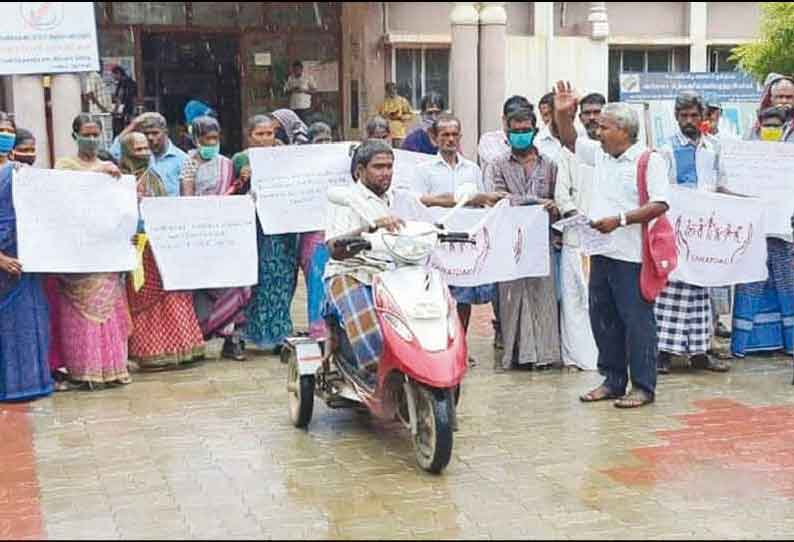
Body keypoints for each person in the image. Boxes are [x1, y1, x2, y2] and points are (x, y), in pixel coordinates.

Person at [555, 81, 669, 409]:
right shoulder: (601, 156)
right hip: (601, 252)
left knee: (637, 322)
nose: (598, 131)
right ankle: (613, 381)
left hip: (633, 256)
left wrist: (619, 220)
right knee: (603, 319)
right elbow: (570, 139)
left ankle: (643, 387)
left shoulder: (648, 160)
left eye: (603, 126)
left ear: (622, 130)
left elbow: (660, 204)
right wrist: (565, 114)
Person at [53, 114, 131, 390]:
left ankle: (111, 368)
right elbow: (62, 197)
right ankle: (84, 370)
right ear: (75, 136)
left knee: (107, 308)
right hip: (78, 251)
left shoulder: (109, 165)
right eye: (86, 133)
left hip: (105, 249)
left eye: (96, 133)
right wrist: (94, 176)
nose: (92, 139)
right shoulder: (64, 165)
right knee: (81, 313)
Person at [655, 91, 730, 374]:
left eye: (693, 115)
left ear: (703, 117)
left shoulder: (714, 147)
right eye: (683, 115)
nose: (688, 120)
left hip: (707, 231)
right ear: (676, 118)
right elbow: (662, 189)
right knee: (672, 288)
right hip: (677, 228)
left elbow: (720, 184)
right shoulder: (665, 149)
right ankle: (663, 352)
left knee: (702, 290)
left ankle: (700, 352)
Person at [416, 115, 505, 347]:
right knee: (439, 296)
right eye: (445, 135)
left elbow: (482, 204)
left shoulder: (472, 169)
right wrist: (459, 200)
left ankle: (459, 347)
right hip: (437, 246)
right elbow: (420, 202)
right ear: (434, 138)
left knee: (463, 297)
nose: (450, 139)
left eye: (455, 134)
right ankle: (439, 345)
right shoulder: (424, 170)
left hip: (465, 244)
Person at [486, 107, 562, 372]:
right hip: (511, 244)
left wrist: (553, 208)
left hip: (543, 244)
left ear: (535, 131)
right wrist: (537, 202)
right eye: (515, 132)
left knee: (544, 297)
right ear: (506, 134)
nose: (520, 136)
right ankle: (516, 355)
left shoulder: (550, 164)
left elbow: (558, 199)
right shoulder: (497, 165)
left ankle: (546, 355)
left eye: (525, 131)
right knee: (512, 299)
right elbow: (496, 198)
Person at [121, 132, 206, 370]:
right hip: (135, 245)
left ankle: (180, 347)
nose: (144, 153)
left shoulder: (154, 176)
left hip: (159, 242)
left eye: (146, 148)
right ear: (127, 152)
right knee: (144, 298)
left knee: (170, 294)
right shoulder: (119, 180)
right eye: (138, 150)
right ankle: (149, 351)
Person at [181, 116, 251, 360]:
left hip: (227, 235)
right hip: (201, 235)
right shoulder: (188, 163)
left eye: (215, 138)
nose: (212, 143)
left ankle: (232, 340)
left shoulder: (227, 163)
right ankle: (199, 337)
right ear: (196, 139)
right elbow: (187, 198)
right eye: (206, 139)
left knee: (234, 283)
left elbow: (236, 190)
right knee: (203, 288)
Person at [233, 115, 299, 353]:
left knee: (283, 277)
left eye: (269, 133)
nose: (265, 139)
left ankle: (281, 332)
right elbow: (231, 193)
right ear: (249, 136)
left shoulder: (288, 157)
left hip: (284, 227)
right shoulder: (241, 159)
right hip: (256, 228)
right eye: (259, 134)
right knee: (259, 279)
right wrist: (243, 181)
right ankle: (253, 332)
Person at [732, 105, 794, 358]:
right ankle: (746, 345)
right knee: (750, 283)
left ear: (784, 127)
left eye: (776, 126)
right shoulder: (744, 154)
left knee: (787, 286)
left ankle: (788, 342)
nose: (771, 130)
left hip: (783, 233)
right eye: (767, 126)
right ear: (759, 125)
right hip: (754, 234)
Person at [0, 113, 53, 401]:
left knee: (27, 323)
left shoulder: (22, 172)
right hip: (3, 261)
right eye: (0, 131)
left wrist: (105, 175)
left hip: (26, 259)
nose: (5, 135)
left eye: (9, 130)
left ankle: (30, 384)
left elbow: (58, 197)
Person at [554, 92, 605, 372]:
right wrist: (575, 215)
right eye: (587, 113)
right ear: (580, 117)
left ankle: (603, 357)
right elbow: (562, 194)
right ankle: (574, 357)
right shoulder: (570, 151)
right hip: (576, 236)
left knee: (599, 302)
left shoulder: (615, 151)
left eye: (597, 112)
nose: (592, 117)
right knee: (573, 301)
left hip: (606, 240)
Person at [478, 96, 534, 350]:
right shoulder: (490, 141)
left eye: (526, 129)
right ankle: (501, 327)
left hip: (530, 222)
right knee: (501, 279)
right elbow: (499, 161)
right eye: (515, 125)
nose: (521, 134)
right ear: (504, 120)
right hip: (499, 218)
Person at [111, 113, 189, 197]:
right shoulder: (138, 154)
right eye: (146, 133)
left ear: (165, 132)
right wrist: (133, 125)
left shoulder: (182, 159)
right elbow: (113, 153)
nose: (150, 137)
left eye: (155, 133)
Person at [378, 82, 414, 148]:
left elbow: (410, 115)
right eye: (389, 90)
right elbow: (380, 117)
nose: (391, 92)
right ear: (386, 91)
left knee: (399, 152)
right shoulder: (384, 103)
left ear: (396, 90)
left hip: (399, 133)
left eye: (393, 89)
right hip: (386, 134)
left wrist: (400, 117)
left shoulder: (402, 101)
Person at [111, 66, 138, 136]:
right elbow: (135, 97)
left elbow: (120, 97)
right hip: (130, 108)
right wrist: (134, 109)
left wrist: (115, 110)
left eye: (114, 75)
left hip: (123, 110)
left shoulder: (122, 83)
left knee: (121, 130)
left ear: (118, 73)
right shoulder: (132, 82)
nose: (113, 77)